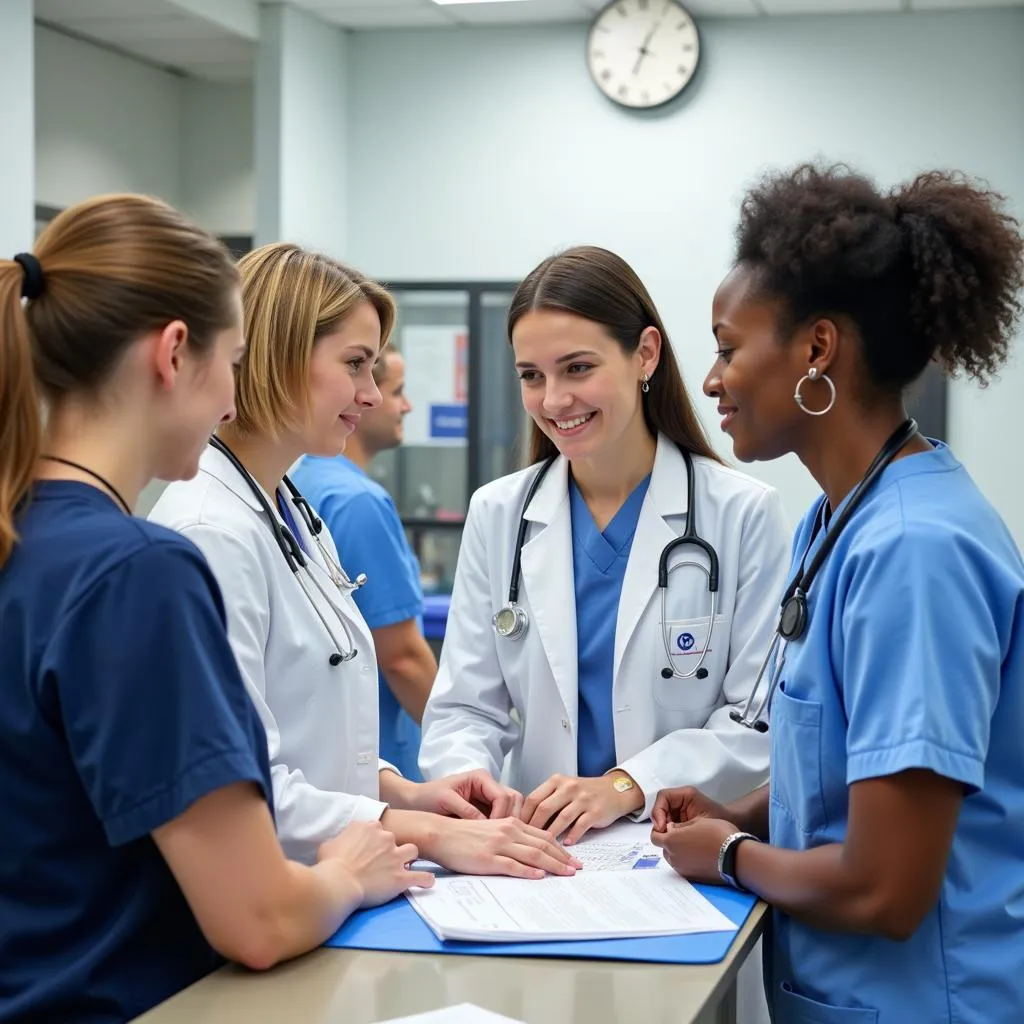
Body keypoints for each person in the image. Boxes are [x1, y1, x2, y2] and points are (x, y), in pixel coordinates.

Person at [0, 198, 432, 1024]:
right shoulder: (138, 572)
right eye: (233, 362)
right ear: (172, 355)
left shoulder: (26, 538)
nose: (234, 397)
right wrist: (351, 870)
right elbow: (259, 920)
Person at [651, 164, 1024, 1023]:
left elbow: (887, 888)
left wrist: (731, 853)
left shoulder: (914, 551)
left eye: (727, 346)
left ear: (817, 350)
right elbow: (845, 770)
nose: (711, 381)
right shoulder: (836, 523)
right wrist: (738, 808)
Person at [149, 241, 579, 879]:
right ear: (279, 354)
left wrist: (402, 792)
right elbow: (242, 785)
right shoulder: (212, 532)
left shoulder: (289, 508)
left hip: (325, 882)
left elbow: (305, 729)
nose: (372, 394)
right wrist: (424, 831)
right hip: (266, 898)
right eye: (356, 364)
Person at [418, 245, 792, 845]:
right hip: (533, 846)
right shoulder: (499, 514)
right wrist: (471, 782)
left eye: (578, 368)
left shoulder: (740, 513)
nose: (554, 400)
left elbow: (757, 720)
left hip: (673, 845)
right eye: (531, 376)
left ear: (644, 354)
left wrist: (624, 785)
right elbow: (466, 706)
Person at [293, 345, 433, 782]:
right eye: (399, 391)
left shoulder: (296, 481)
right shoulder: (357, 502)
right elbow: (403, 659)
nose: (403, 405)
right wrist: (467, 741)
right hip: (379, 763)